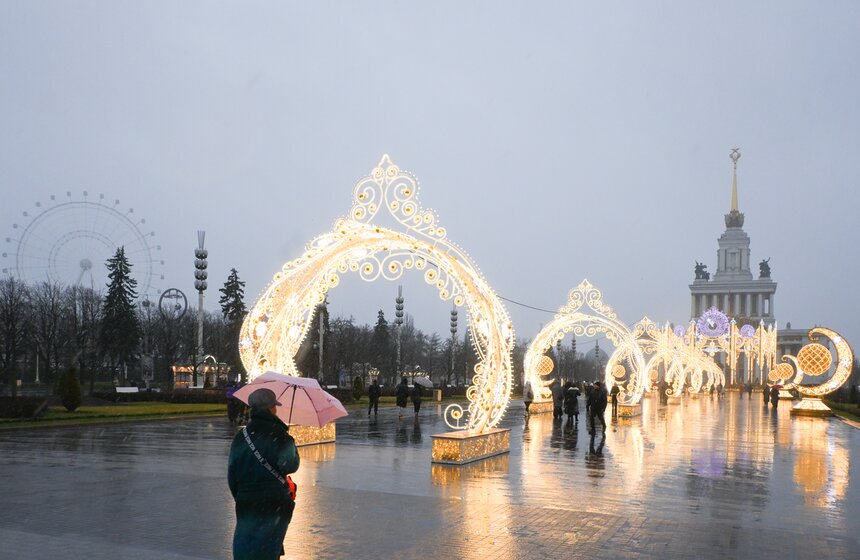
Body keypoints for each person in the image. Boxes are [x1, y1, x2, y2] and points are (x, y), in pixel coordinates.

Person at [228, 388, 300, 560]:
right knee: (269, 546)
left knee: (247, 545)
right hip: (273, 501)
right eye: (274, 406)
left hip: (246, 501)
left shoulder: (241, 437)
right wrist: (291, 443)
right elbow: (291, 464)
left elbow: (232, 476)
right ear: (270, 409)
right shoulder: (279, 434)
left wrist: (243, 496)